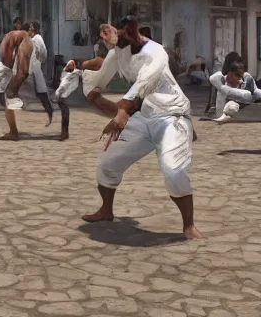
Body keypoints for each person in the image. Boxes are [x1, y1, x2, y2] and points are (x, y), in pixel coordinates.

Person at [74, 17, 201, 240]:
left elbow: (143, 83)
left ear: (136, 34)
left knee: (172, 170)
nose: (114, 38)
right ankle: (106, 210)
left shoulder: (156, 52)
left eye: (122, 34)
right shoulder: (117, 53)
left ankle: (188, 225)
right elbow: (102, 76)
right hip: (144, 116)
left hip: (171, 115)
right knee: (108, 163)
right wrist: (90, 87)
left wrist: (122, 112)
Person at [0, 30, 34, 141]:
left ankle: (13, 132)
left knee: (10, 96)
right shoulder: (17, 40)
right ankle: (13, 131)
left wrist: (16, 84)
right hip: (11, 64)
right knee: (9, 96)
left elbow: (23, 70)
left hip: (13, 65)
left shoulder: (23, 41)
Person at [26, 21, 55, 126]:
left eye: (31, 28)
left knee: (41, 90)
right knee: (38, 92)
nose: (29, 30)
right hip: (32, 66)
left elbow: (43, 52)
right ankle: (49, 111)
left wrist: (41, 62)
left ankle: (50, 111)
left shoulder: (38, 38)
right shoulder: (31, 39)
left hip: (36, 66)